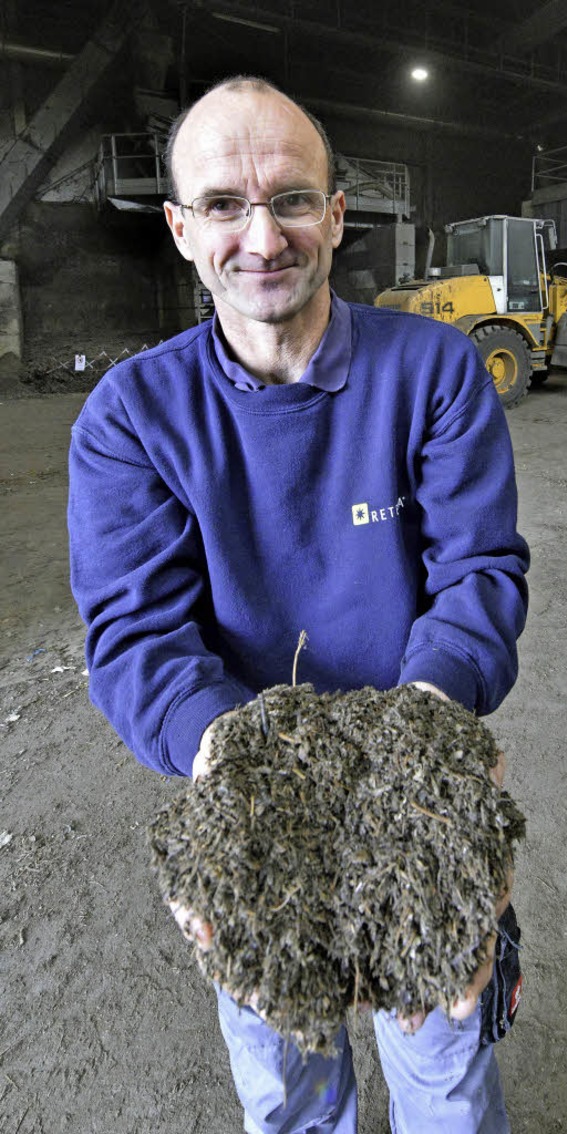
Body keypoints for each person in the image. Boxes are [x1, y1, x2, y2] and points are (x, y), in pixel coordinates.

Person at [68, 75, 529, 1134]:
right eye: (224, 204)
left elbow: (479, 574)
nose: (260, 235)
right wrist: (230, 754)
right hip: (254, 798)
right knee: (287, 1095)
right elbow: (138, 633)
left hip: (414, 769)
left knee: (445, 1076)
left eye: (287, 198)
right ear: (182, 229)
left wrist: (427, 737)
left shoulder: (437, 373)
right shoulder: (130, 418)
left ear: (334, 214)